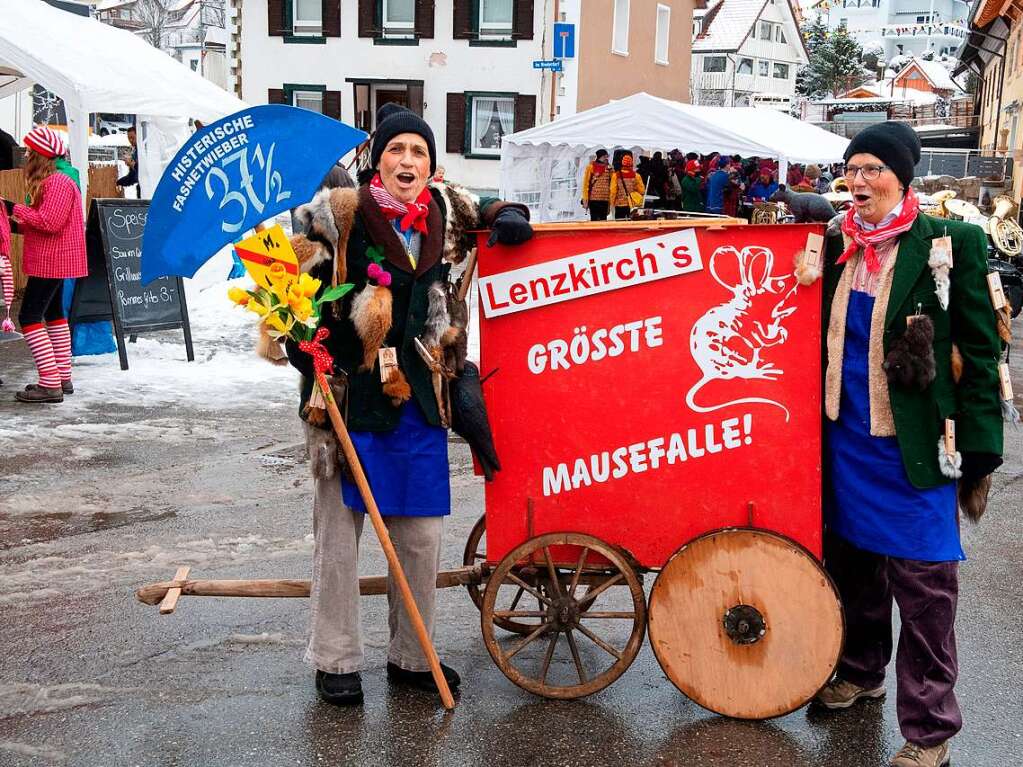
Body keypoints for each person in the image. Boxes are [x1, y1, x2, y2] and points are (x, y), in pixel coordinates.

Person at [283, 103, 533, 707]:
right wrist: (304, 341)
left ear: (431, 164)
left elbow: (490, 210)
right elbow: (289, 296)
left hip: (420, 397)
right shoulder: (334, 217)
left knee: (420, 537)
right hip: (344, 397)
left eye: (418, 151)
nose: (407, 160)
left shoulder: (447, 211)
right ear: (377, 159)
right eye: (396, 149)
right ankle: (336, 658)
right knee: (340, 539)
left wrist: (511, 215)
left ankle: (412, 656)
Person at [814, 122, 1003, 767]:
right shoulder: (835, 241)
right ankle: (861, 672)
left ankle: (930, 731)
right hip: (846, 440)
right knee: (854, 570)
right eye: (852, 168)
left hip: (913, 447)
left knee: (924, 592)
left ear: (903, 176)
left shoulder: (953, 242)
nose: (859, 180)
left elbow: (981, 347)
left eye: (873, 168)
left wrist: (981, 442)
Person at [1, 127, 86, 403]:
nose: (25, 156)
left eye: (29, 151)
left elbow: (50, 222)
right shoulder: (57, 179)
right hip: (55, 259)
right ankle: (62, 376)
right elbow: (43, 221)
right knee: (54, 316)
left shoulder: (58, 182)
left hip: (53, 260)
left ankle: (50, 383)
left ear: (41, 155)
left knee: (28, 317)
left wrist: (14, 209)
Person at [609, 150, 645, 220]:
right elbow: (642, 191)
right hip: (632, 204)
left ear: (622, 163)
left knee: (620, 222)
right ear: (631, 164)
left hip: (619, 204)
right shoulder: (637, 176)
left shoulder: (616, 175)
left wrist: (612, 203)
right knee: (631, 222)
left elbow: (613, 191)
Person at [580, 149, 612, 221]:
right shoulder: (591, 167)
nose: (607, 158)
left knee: (603, 220)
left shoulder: (609, 168)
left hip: (605, 198)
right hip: (594, 199)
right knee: (594, 219)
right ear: (602, 156)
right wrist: (585, 199)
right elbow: (586, 184)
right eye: (606, 156)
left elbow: (611, 182)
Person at [116, 125, 140, 197]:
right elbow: (132, 177)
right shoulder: (134, 151)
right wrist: (119, 182)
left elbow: (142, 172)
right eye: (129, 138)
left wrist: (132, 164)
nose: (131, 140)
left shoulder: (143, 150)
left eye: (132, 138)